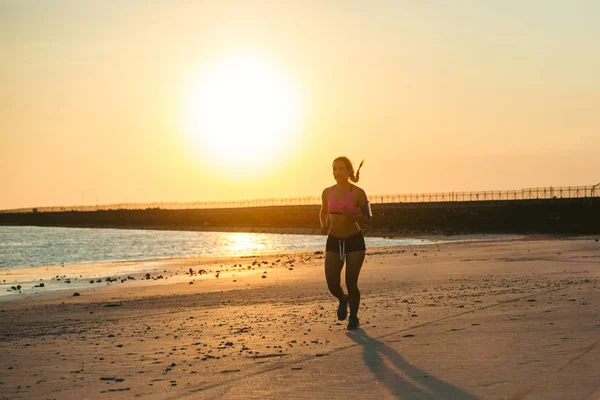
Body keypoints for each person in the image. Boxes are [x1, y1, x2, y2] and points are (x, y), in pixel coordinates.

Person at [320, 157, 372, 330]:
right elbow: (323, 211)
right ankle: (343, 299)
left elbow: (367, 217)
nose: (337, 172)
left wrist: (351, 215)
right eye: (334, 169)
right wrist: (323, 224)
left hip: (354, 240)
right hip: (334, 240)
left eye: (341, 169)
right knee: (332, 282)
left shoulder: (358, 192)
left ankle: (354, 317)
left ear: (349, 171)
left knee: (351, 282)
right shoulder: (327, 192)